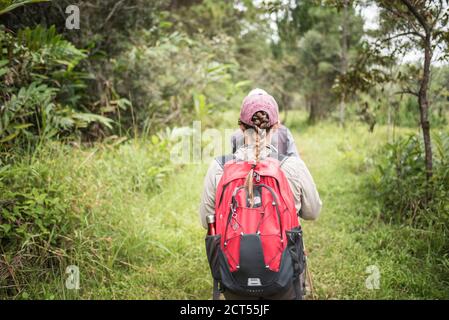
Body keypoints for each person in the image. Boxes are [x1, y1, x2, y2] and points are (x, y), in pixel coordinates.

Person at [199, 90, 322, 300]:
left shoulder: (218, 168)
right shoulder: (292, 166)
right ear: (276, 127)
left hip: (233, 280)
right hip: (284, 277)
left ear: (240, 127)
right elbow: (312, 212)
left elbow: (206, 222)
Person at [230, 88, 299, 157]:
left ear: (241, 126)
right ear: (276, 124)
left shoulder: (236, 135)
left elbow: (233, 161)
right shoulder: (284, 133)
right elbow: (295, 159)